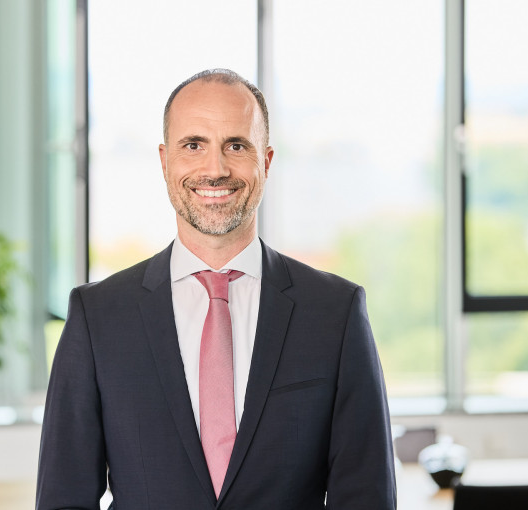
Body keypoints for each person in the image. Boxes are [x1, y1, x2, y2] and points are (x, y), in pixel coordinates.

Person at [36, 69, 397, 509]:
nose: (215, 169)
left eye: (236, 146)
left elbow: (366, 498)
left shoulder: (335, 313)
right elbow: (64, 498)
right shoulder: (97, 317)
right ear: (165, 161)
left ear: (266, 161)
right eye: (193, 145)